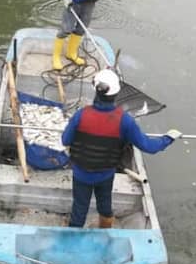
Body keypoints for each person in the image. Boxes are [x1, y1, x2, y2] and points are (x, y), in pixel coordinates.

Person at [61, 69, 181, 228]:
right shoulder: (125, 121)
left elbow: (65, 140)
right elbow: (148, 146)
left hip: (81, 174)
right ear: (116, 93)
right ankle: (105, 231)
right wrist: (168, 138)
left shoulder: (80, 115)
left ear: (95, 90)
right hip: (105, 175)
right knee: (104, 206)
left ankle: (74, 236)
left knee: (80, 208)